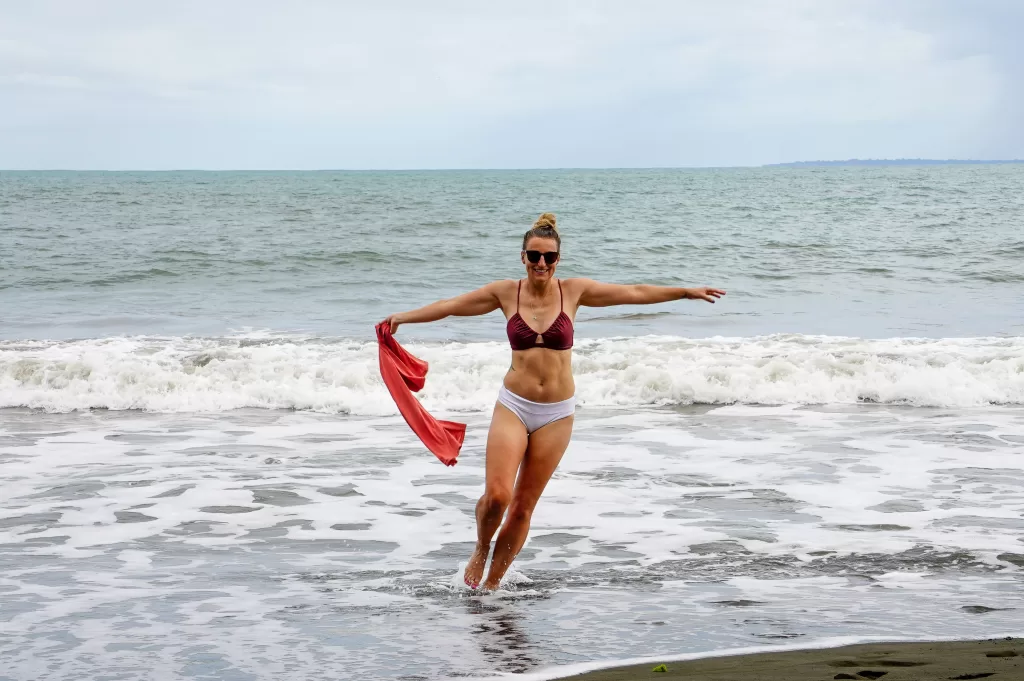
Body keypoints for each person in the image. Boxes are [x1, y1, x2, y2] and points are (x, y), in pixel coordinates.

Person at [381, 213, 725, 590]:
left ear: (558, 259)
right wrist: (403, 318)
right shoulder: (504, 293)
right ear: (523, 257)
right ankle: (481, 548)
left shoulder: (573, 291)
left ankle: (491, 588)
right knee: (497, 497)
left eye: (549, 257)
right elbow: (451, 305)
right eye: (534, 256)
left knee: (523, 507)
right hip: (514, 405)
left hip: (557, 414)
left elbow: (634, 292)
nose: (541, 263)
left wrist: (684, 292)